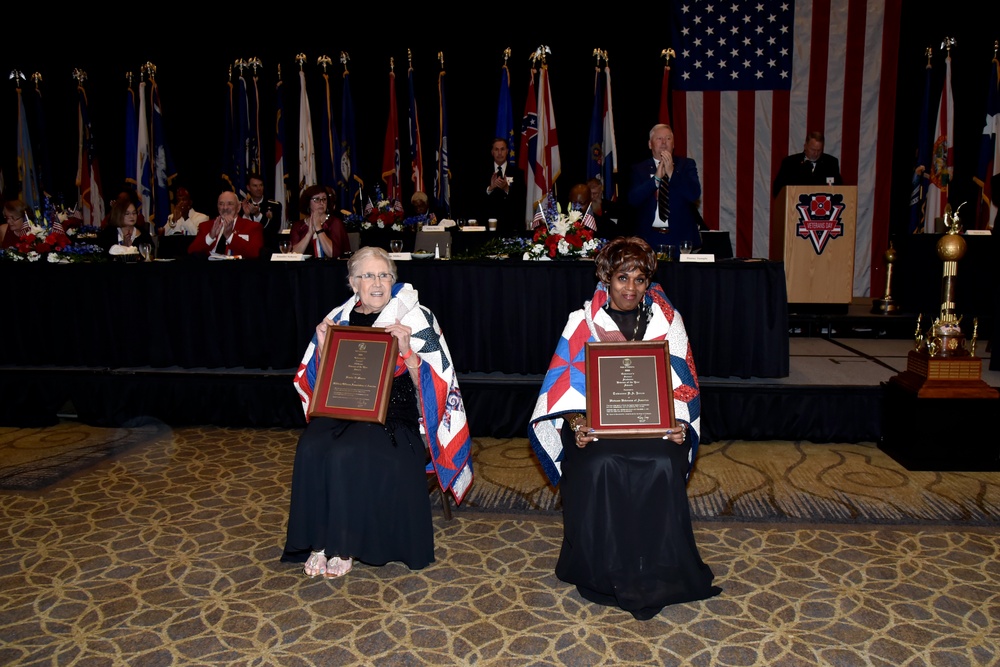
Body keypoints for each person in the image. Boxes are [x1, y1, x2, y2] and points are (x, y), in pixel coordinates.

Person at [528, 236, 720, 620]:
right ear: (605, 278)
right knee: (599, 463)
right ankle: (601, 567)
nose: (631, 288)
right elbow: (562, 388)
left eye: (639, 279)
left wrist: (681, 423)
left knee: (665, 461)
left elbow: (683, 385)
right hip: (594, 423)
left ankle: (659, 567)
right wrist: (577, 424)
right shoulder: (582, 323)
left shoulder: (669, 322)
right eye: (622, 278)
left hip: (655, 425)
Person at [282, 246, 473, 578]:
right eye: (368, 275)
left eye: (384, 275)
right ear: (354, 282)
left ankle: (344, 544)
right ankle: (319, 540)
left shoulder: (417, 318)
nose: (377, 282)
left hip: (395, 415)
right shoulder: (338, 319)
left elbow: (440, 386)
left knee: (346, 451)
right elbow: (314, 383)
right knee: (311, 446)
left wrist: (408, 353)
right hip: (344, 408)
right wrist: (323, 349)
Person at [627, 124, 703, 251]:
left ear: (673, 144)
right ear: (650, 144)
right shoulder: (639, 169)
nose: (664, 143)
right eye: (659, 139)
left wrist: (672, 173)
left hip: (680, 238)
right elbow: (633, 200)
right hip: (649, 239)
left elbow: (693, 194)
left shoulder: (686, 165)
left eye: (668, 139)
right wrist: (655, 179)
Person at [187, 191, 264, 259]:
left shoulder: (252, 227)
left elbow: (255, 253)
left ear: (238, 207)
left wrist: (230, 236)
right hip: (210, 272)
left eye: (230, 204)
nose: (225, 207)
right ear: (217, 207)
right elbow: (191, 251)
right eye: (221, 204)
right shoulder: (206, 226)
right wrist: (210, 236)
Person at [771, 131, 843, 198]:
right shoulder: (790, 163)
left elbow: (840, 190)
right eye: (813, 149)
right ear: (805, 146)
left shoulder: (830, 163)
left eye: (819, 150)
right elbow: (777, 190)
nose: (815, 153)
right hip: (794, 207)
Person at [290, 185, 350, 257]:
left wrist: (319, 228)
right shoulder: (298, 226)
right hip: (305, 267)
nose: (321, 203)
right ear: (308, 202)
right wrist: (309, 234)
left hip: (331, 267)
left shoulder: (335, 223)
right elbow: (293, 256)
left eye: (324, 199)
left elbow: (333, 254)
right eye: (317, 199)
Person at [483, 137, 525, 235]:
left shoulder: (518, 173)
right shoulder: (483, 172)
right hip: (488, 226)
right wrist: (490, 188)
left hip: (510, 226)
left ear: (507, 151)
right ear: (492, 152)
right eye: (496, 149)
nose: (499, 153)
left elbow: (521, 199)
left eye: (502, 149)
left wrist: (507, 189)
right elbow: (477, 200)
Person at [241, 172, 284, 250]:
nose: (259, 188)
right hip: (247, 248)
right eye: (255, 186)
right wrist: (246, 215)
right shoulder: (243, 207)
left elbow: (273, 229)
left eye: (261, 185)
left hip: (268, 248)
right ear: (248, 187)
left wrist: (258, 214)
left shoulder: (275, 206)